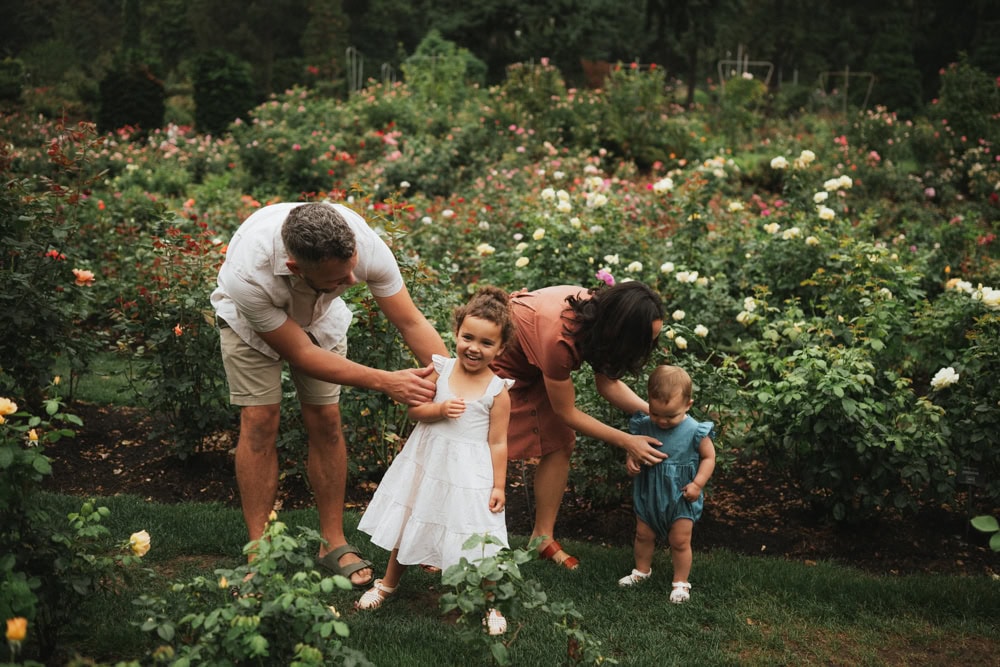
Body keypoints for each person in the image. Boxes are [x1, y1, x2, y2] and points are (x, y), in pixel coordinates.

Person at [211, 201, 447, 588]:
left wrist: (452, 379)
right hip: (248, 326)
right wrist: (388, 381)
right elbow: (301, 354)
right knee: (259, 421)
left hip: (321, 318)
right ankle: (259, 551)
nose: (353, 282)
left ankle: (331, 543)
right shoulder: (247, 275)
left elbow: (410, 320)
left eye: (352, 268)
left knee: (326, 420)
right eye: (339, 278)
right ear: (295, 268)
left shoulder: (364, 247)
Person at [355, 286, 515, 635]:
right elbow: (415, 411)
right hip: (428, 463)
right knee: (410, 519)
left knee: (477, 534)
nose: (474, 348)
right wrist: (439, 409)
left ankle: (491, 603)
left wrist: (499, 484)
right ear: (456, 333)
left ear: (500, 348)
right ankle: (387, 583)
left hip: (470, 472)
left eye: (486, 343)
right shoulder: (440, 370)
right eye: (468, 337)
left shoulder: (497, 391)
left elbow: (499, 442)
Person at [489, 282, 668, 570]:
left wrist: (656, 414)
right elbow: (566, 412)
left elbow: (607, 382)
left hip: (534, 364)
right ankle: (449, 538)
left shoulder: (599, 318)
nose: (647, 348)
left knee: (560, 442)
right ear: (622, 331)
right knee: (483, 450)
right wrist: (627, 440)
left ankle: (542, 539)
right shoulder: (560, 339)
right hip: (499, 361)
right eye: (644, 340)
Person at [617, 365, 716, 604]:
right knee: (643, 534)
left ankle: (681, 582)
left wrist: (698, 483)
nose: (661, 421)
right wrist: (631, 460)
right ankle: (642, 571)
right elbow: (634, 449)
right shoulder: (643, 425)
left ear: (688, 405)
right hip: (649, 492)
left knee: (680, 541)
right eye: (656, 413)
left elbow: (709, 457)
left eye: (670, 416)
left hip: (681, 495)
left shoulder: (695, 431)